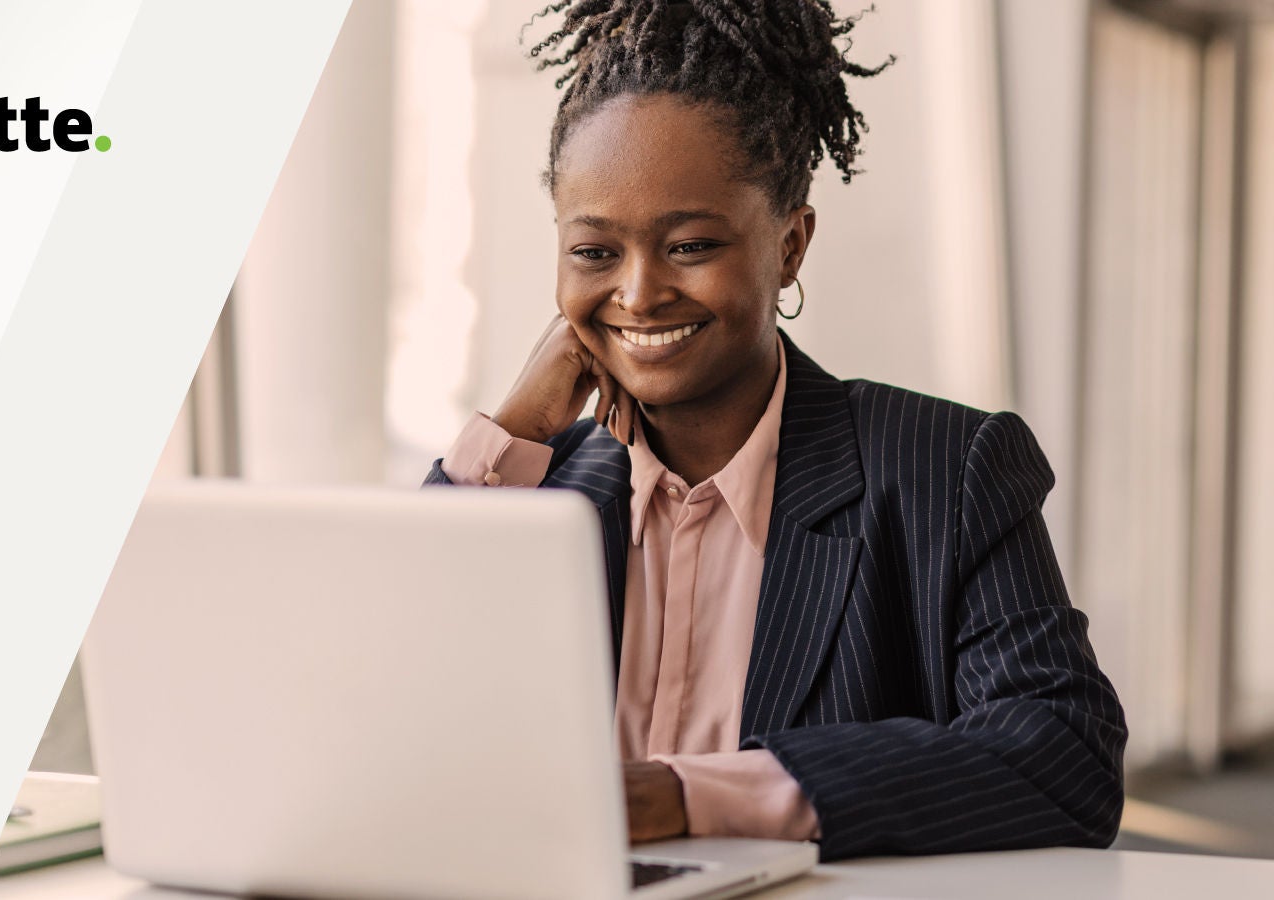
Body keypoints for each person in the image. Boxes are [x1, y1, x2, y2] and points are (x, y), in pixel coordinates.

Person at [423, 0, 1126, 861]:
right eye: (595, 253)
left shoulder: (946, 469)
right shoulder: (532, 489)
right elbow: (374, 705)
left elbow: (1065, 753)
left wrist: (684, 794)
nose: (638, 294)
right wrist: (514, 425)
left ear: (790, 245)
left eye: (689, 246)